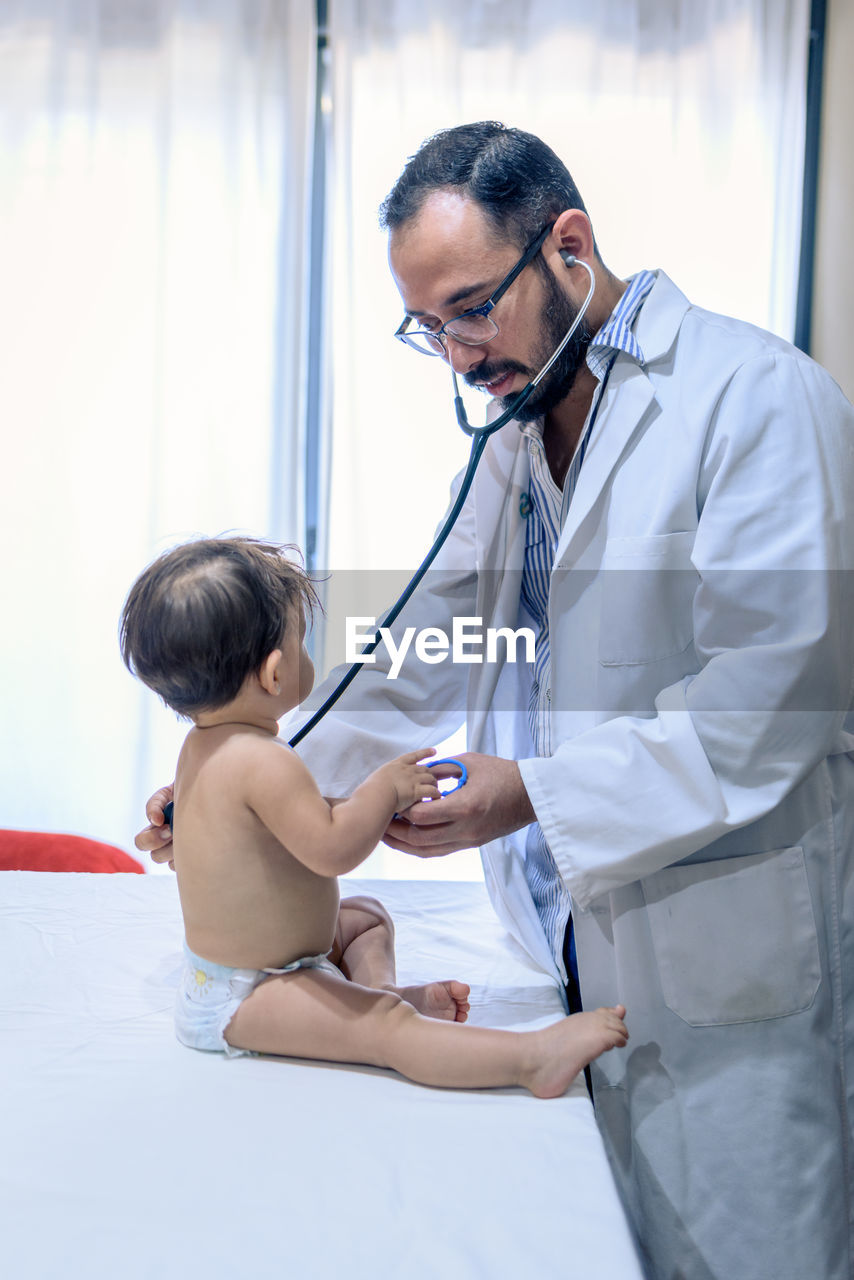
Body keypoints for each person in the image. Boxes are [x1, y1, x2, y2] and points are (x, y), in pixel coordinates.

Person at [137, 124, 854, 1280]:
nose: (459, 355)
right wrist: (236, 772)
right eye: (429, 328)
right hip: (560, 926)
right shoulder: (522, 420)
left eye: (472, 307)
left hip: (720, 932)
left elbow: (772, 700)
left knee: (740, 1246)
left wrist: (536, 792)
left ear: (567, 245)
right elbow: (432, 632)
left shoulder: (756, 398)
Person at [120, 534, 628, 1093]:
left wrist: (352, 806)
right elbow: (333, 847)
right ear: (272, 674)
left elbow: (284, 825)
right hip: (251, 992)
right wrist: (383, 790)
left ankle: (369, 995)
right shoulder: (267, 763)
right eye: (302, 643)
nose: (308, 654)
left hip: (255, 964)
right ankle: (529, 1059)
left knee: (363, 917)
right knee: (388, 1032)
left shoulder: (201, 747)